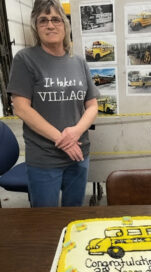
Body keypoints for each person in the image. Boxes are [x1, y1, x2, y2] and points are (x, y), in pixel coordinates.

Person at [7, 0, 99, 207]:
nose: (50, 25)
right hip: (45, 157)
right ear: (36, 27)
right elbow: (21, 107)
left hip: (78, 152)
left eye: (56, 19)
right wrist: (62, 139)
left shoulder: (78, 62)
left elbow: (92, 105)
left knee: (73, 214)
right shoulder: (25, 59)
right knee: (45, 219)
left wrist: (75, 133)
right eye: (43, 20)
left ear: (65, 26)